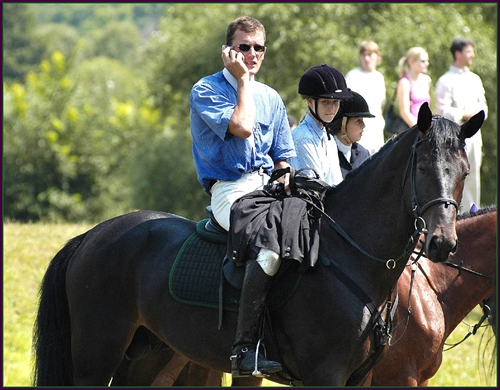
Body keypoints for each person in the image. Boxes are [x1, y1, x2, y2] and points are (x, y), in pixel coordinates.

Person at [189, 16, 295, 378]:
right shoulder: (205, 90)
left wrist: (284, 175)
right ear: (229, 50)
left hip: (266, 186)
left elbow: (283, 155)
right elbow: (244, 126)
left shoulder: (273, 98)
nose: (251, 53)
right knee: (270, 244)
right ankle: (244, 349)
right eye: (244, 47)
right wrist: (243, 83)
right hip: (229, 189)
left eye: (258, 48)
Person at [435, 38, 488, 210]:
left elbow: (483, 105)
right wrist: (466, 115)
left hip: (474, 135)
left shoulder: (475, 79)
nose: (472, 55)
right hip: (455, 136)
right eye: (468, 51)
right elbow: (443, 110)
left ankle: (473, 213)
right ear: (458, 54)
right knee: (455, 175)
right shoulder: (445, 80)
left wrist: (477, 117)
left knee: (473, 177)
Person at [288, 64, 352, 185]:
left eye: (336, 102)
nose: (332, 108)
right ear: (310, 102)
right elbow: (316, 189)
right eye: (325, 102)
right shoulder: (303, 138)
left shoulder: (329, 139)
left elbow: (337, 184)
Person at [345, 40, 386, 155]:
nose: (367, 59)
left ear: (377, 56)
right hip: (360, 133)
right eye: (364, 55)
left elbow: (381, 106)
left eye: (370, 55)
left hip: (376, 132)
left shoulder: (379, 77)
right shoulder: (352, 76)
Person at [327, 90, 373, 179]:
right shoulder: (325, 151)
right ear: (343, 123)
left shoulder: (364, 154)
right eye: (358, 121)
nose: (363, 125)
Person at [396, 47, 431, 128]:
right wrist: (418, 129)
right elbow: (404, 112)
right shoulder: (405, 82)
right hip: (411, 127)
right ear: (411, 62)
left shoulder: (427, 80)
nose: (427, 63)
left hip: (426, 125)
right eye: (423, 61)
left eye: (427, 61)